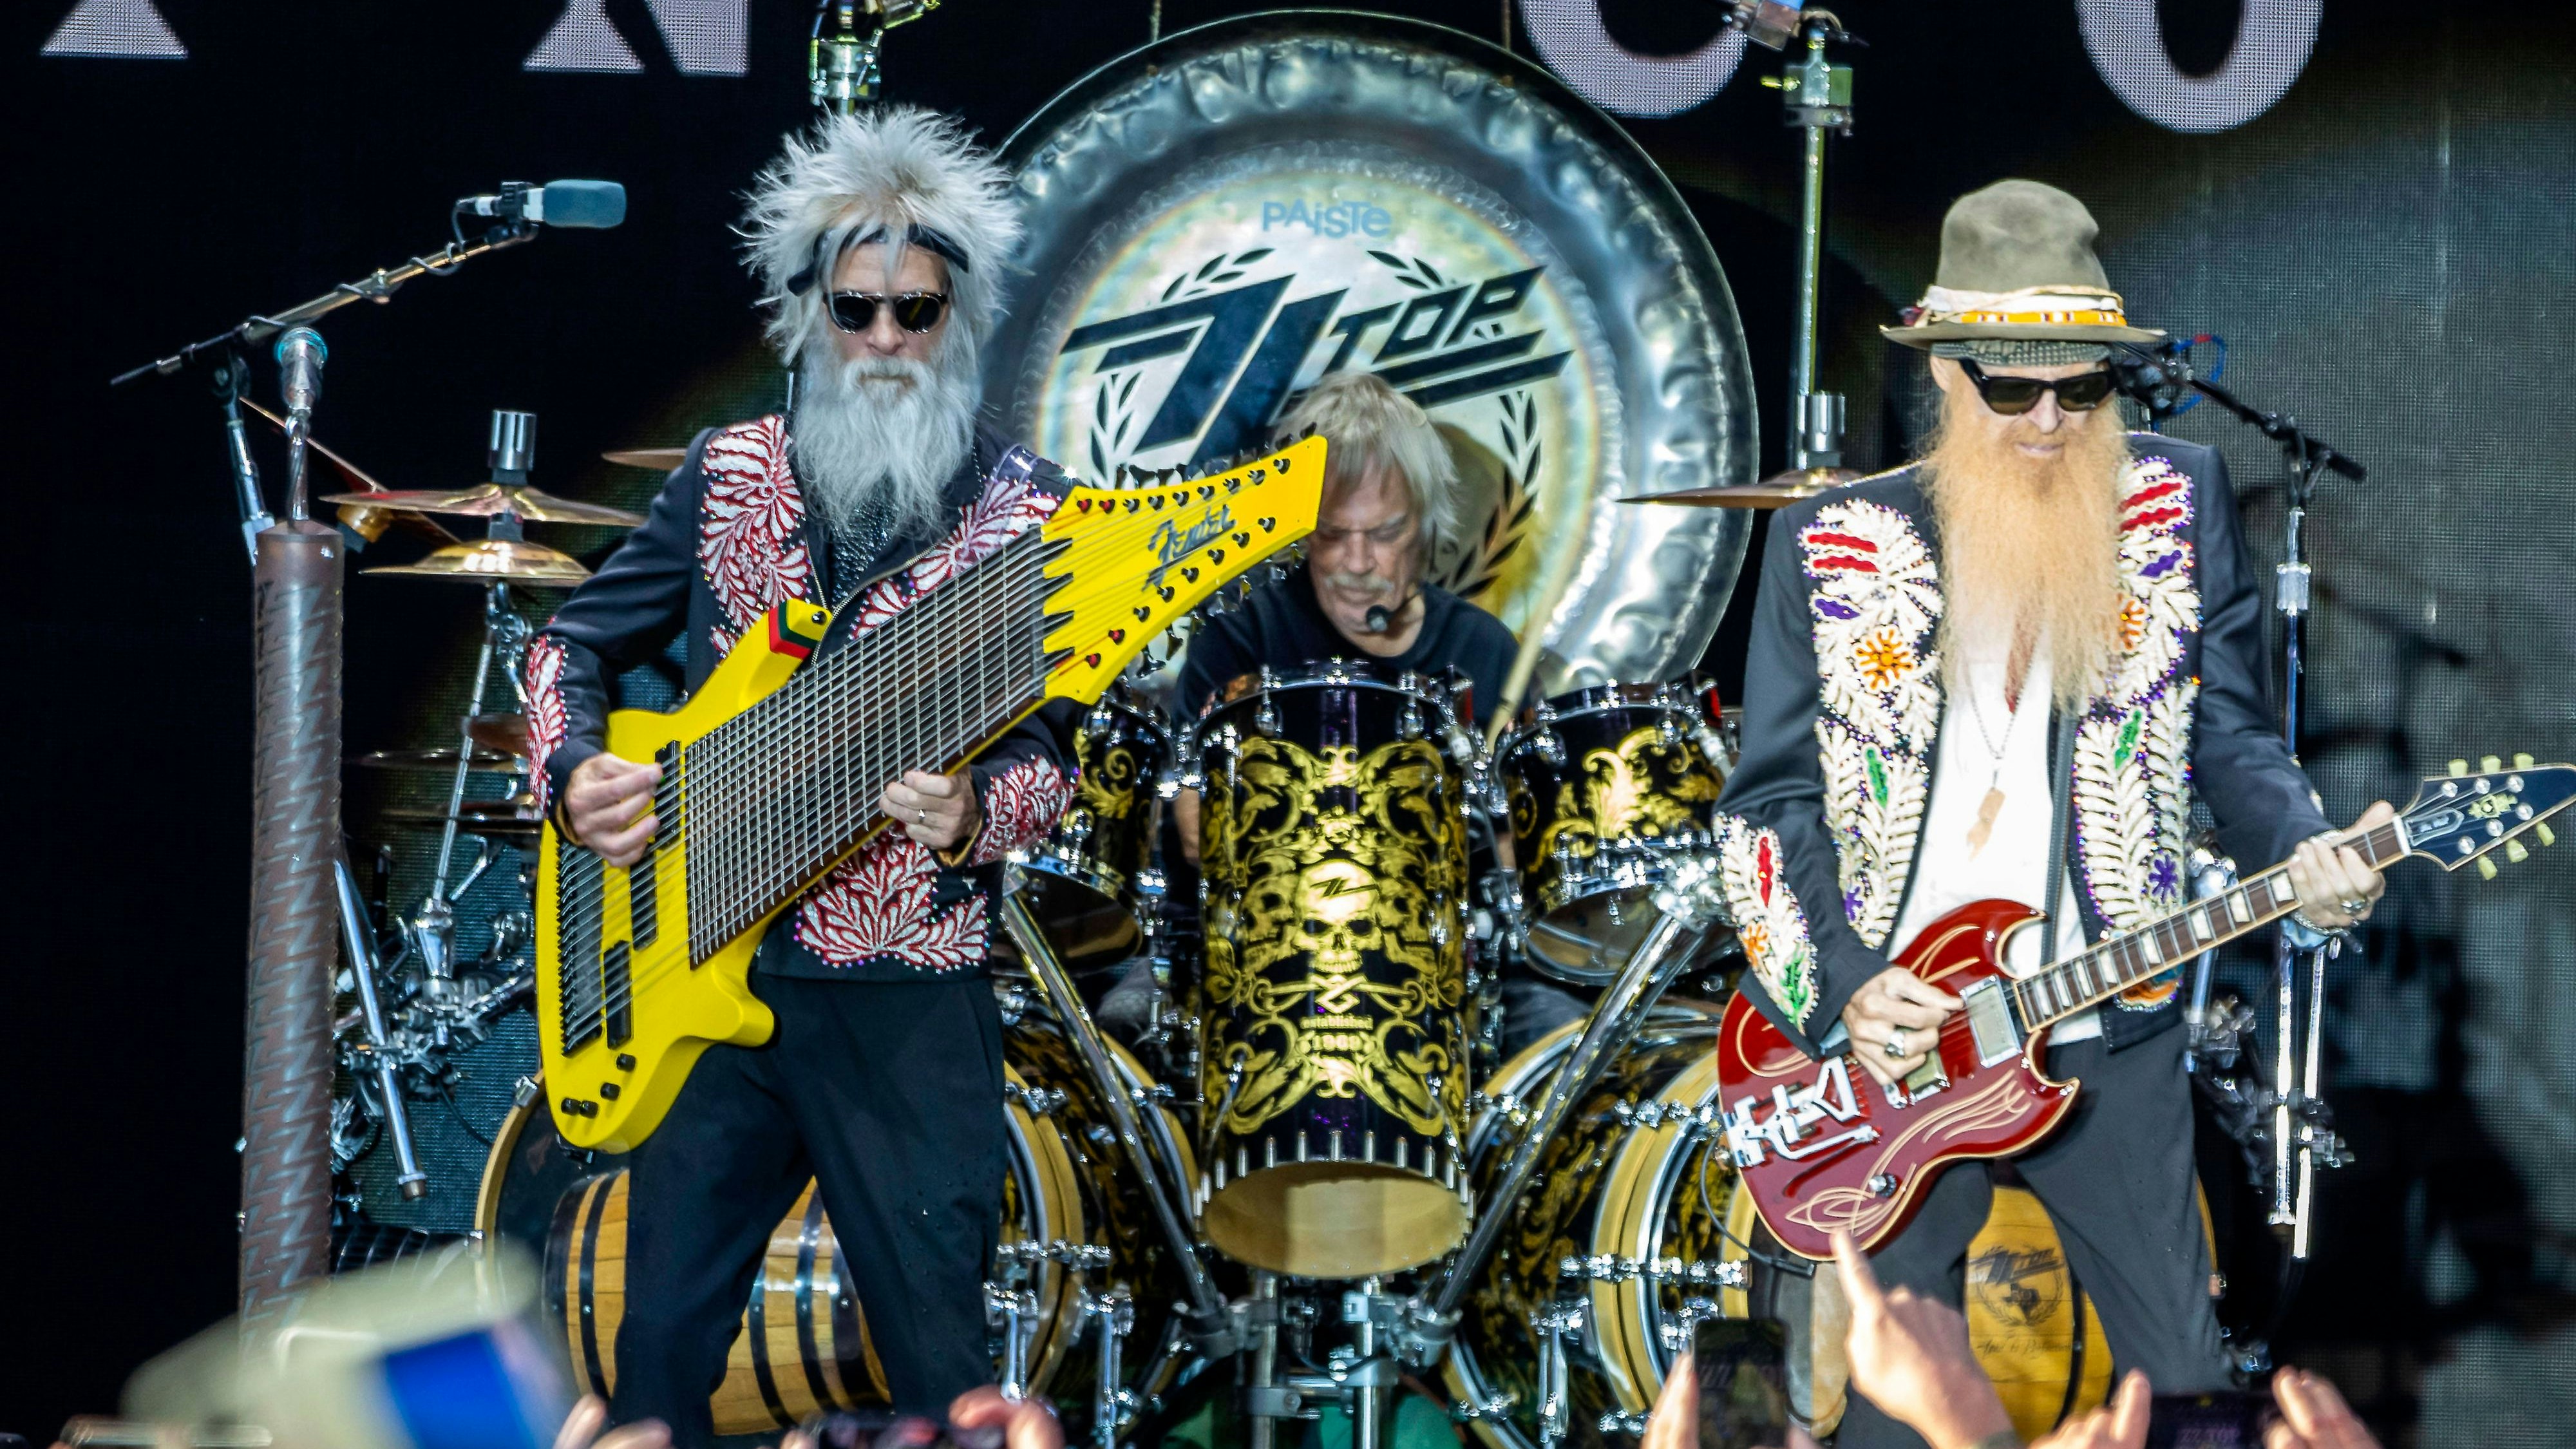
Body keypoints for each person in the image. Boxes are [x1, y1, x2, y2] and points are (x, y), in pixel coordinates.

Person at [1715, 180, 2390, 1448]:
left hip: (2106, 1016)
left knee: (2183, 1384)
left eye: (2077, 391)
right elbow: (1763, 815)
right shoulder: (1829, 540)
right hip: (1899, 1051)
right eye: (2008, 387)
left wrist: (2300, 844)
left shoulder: (2173, 507)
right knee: (1888, 1398)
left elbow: (2230, 736)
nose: (2043, 419)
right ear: (1945, 376)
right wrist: (1845, 988)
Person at [521, 108, 1079, 1446]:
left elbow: (1064, 764)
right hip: (712, 976)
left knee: (946, 1379)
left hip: (906, 995)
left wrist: (972, 811)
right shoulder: (726, 480)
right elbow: (568, 644)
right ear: (805, 316)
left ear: (966, 316)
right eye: (857, 312)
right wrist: (577, 770)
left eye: (917, 314)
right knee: (654, 1353)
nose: (885, 344)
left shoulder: (1032, 518)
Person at [1143, 372, 1532, 1032]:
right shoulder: (1241, 639)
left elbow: (1522, 854)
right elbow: (1194, 831)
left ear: (1429, 524)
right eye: (1330, 534)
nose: (1356, 562)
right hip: (1246, 965)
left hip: (1448, 975)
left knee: (1558, 1046)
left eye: (1384, 533)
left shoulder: (1485, 652)